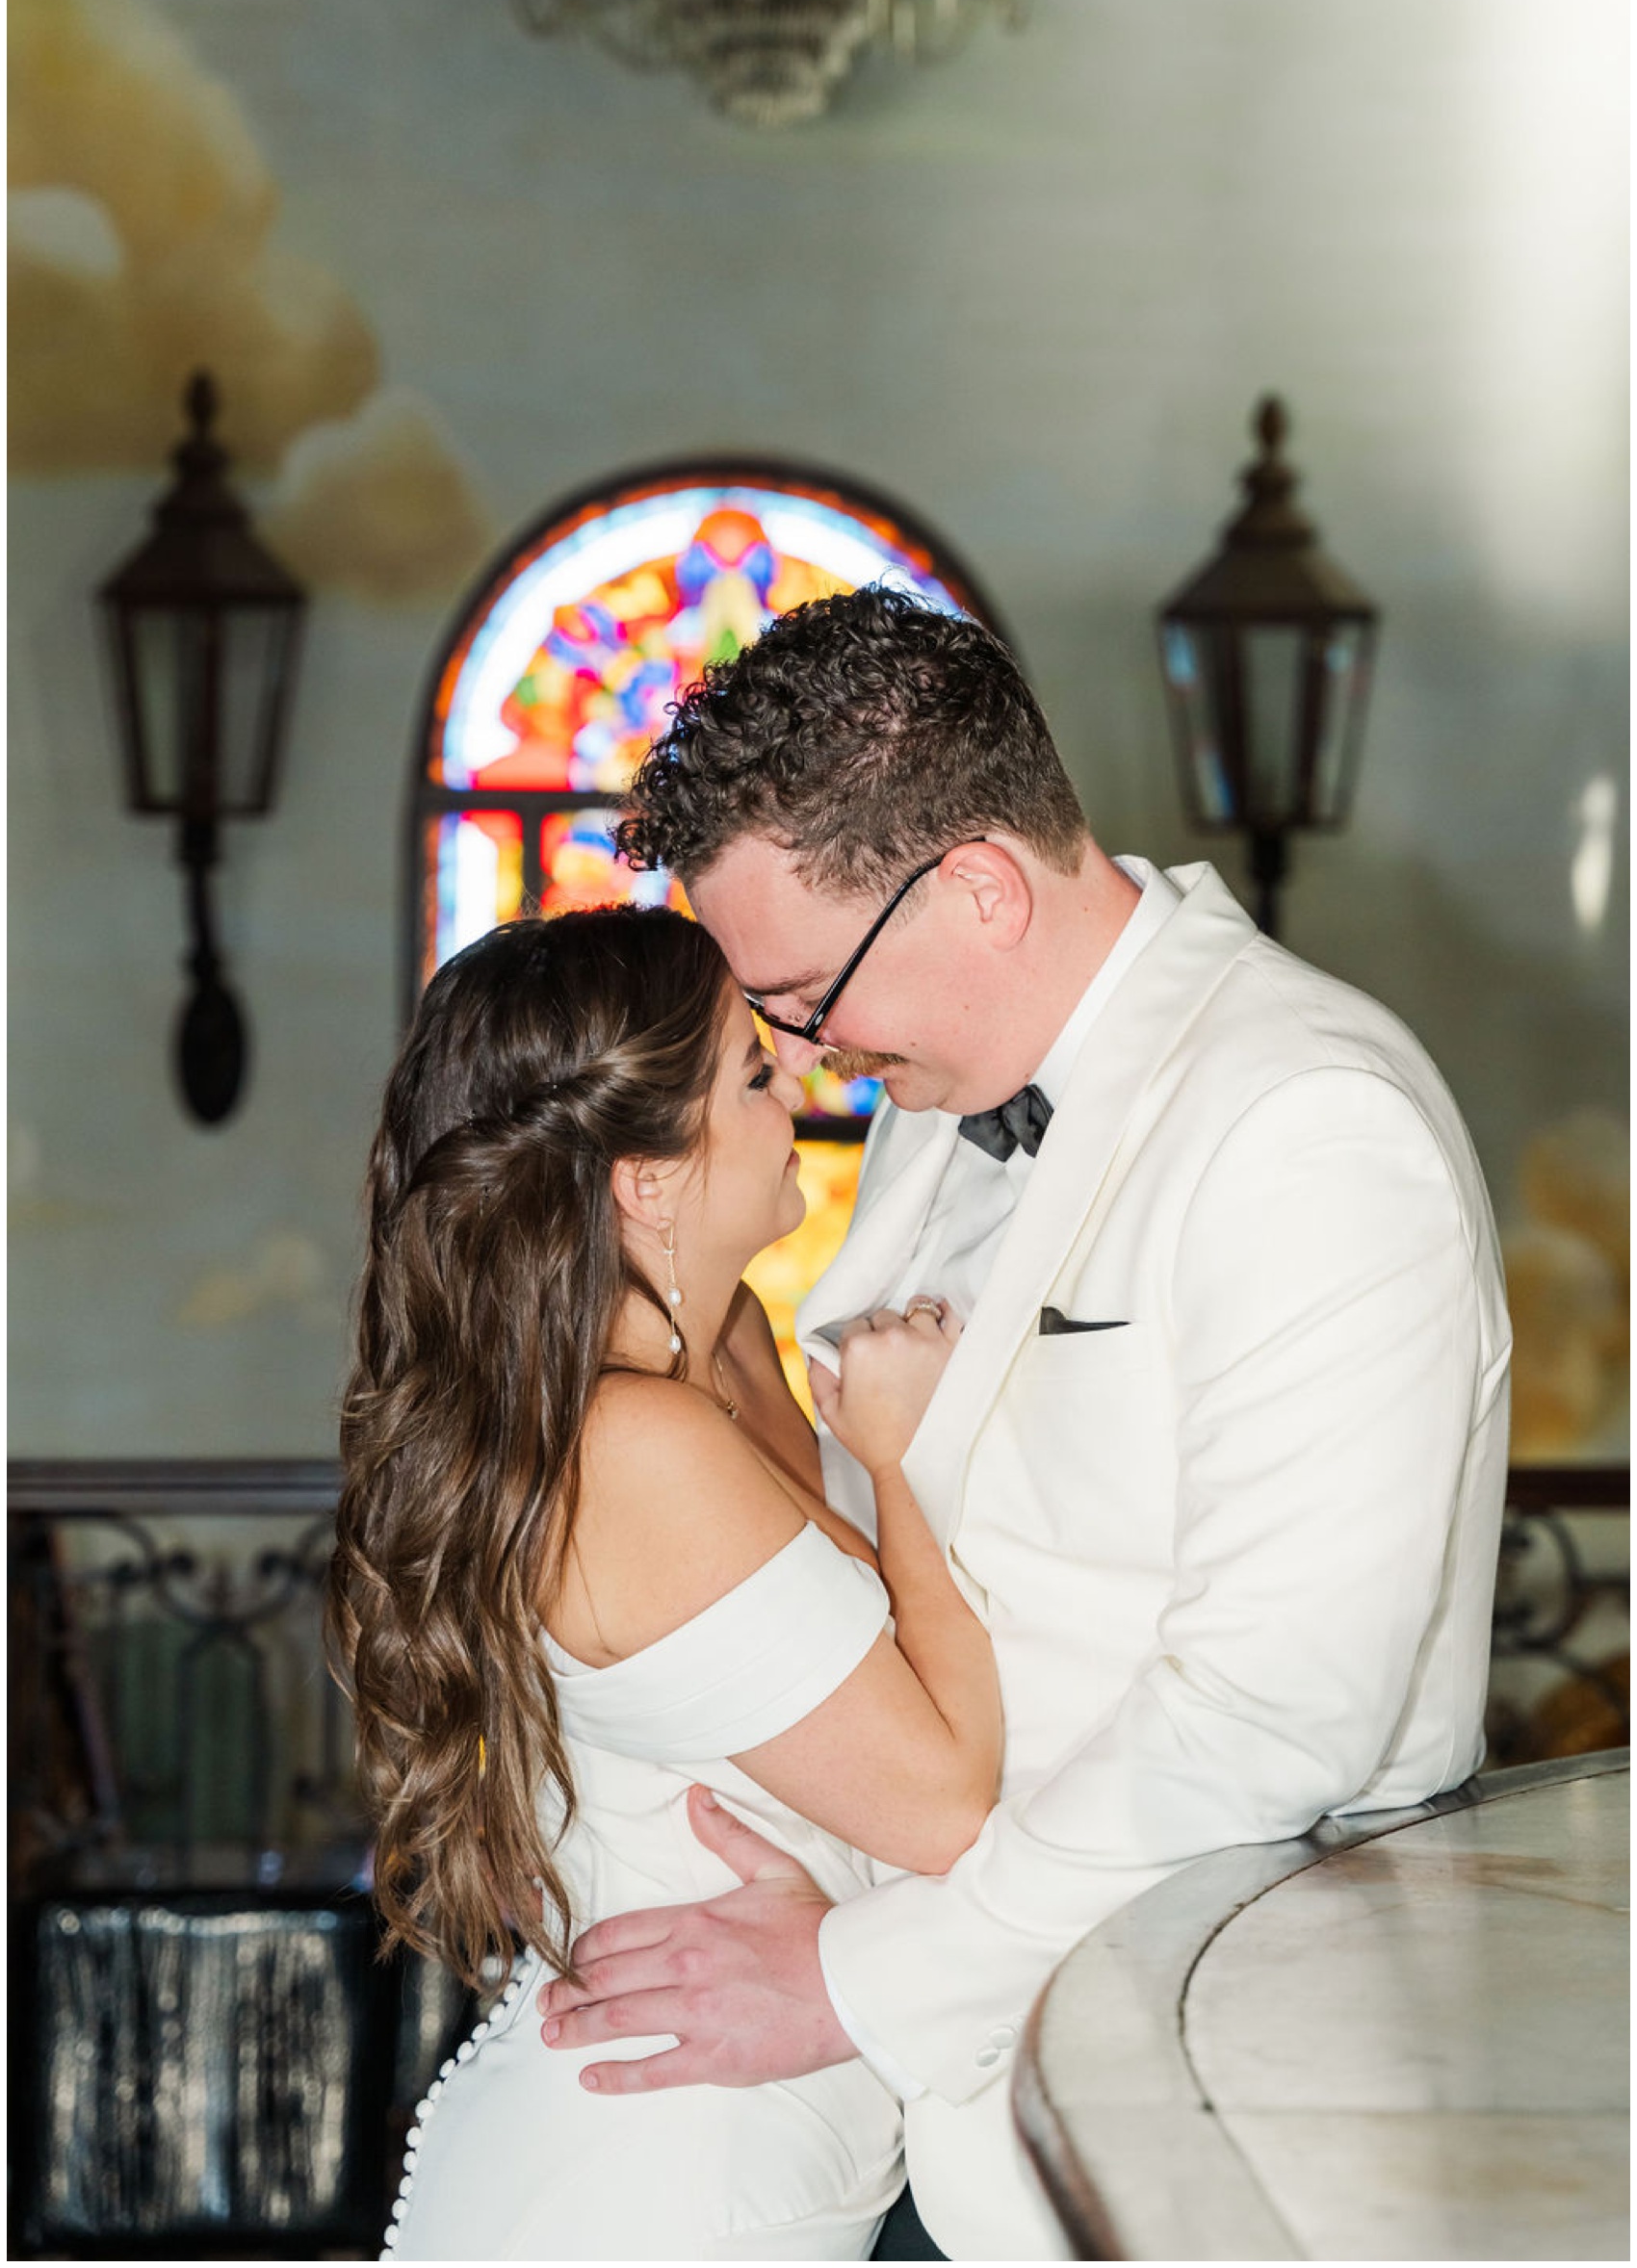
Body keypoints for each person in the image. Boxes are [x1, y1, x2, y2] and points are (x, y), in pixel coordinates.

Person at [537, 584, 1513, 2259]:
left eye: (804, 995)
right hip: (938, 2116)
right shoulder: (944, 1105)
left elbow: (1276, 1722)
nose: (803, 1054)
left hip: (1209, 2113)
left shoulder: (1309, 1125)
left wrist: (853, 1978)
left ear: (980, 886)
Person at [327, 904, 1006, 2259]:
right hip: (670, 2180)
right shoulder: (631, 1447)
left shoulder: (729, 1345)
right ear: (644, 1179)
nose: (796, 1090)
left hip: (763, 2129)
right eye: (752, 1074)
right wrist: (906, 1455)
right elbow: (947, 1802)